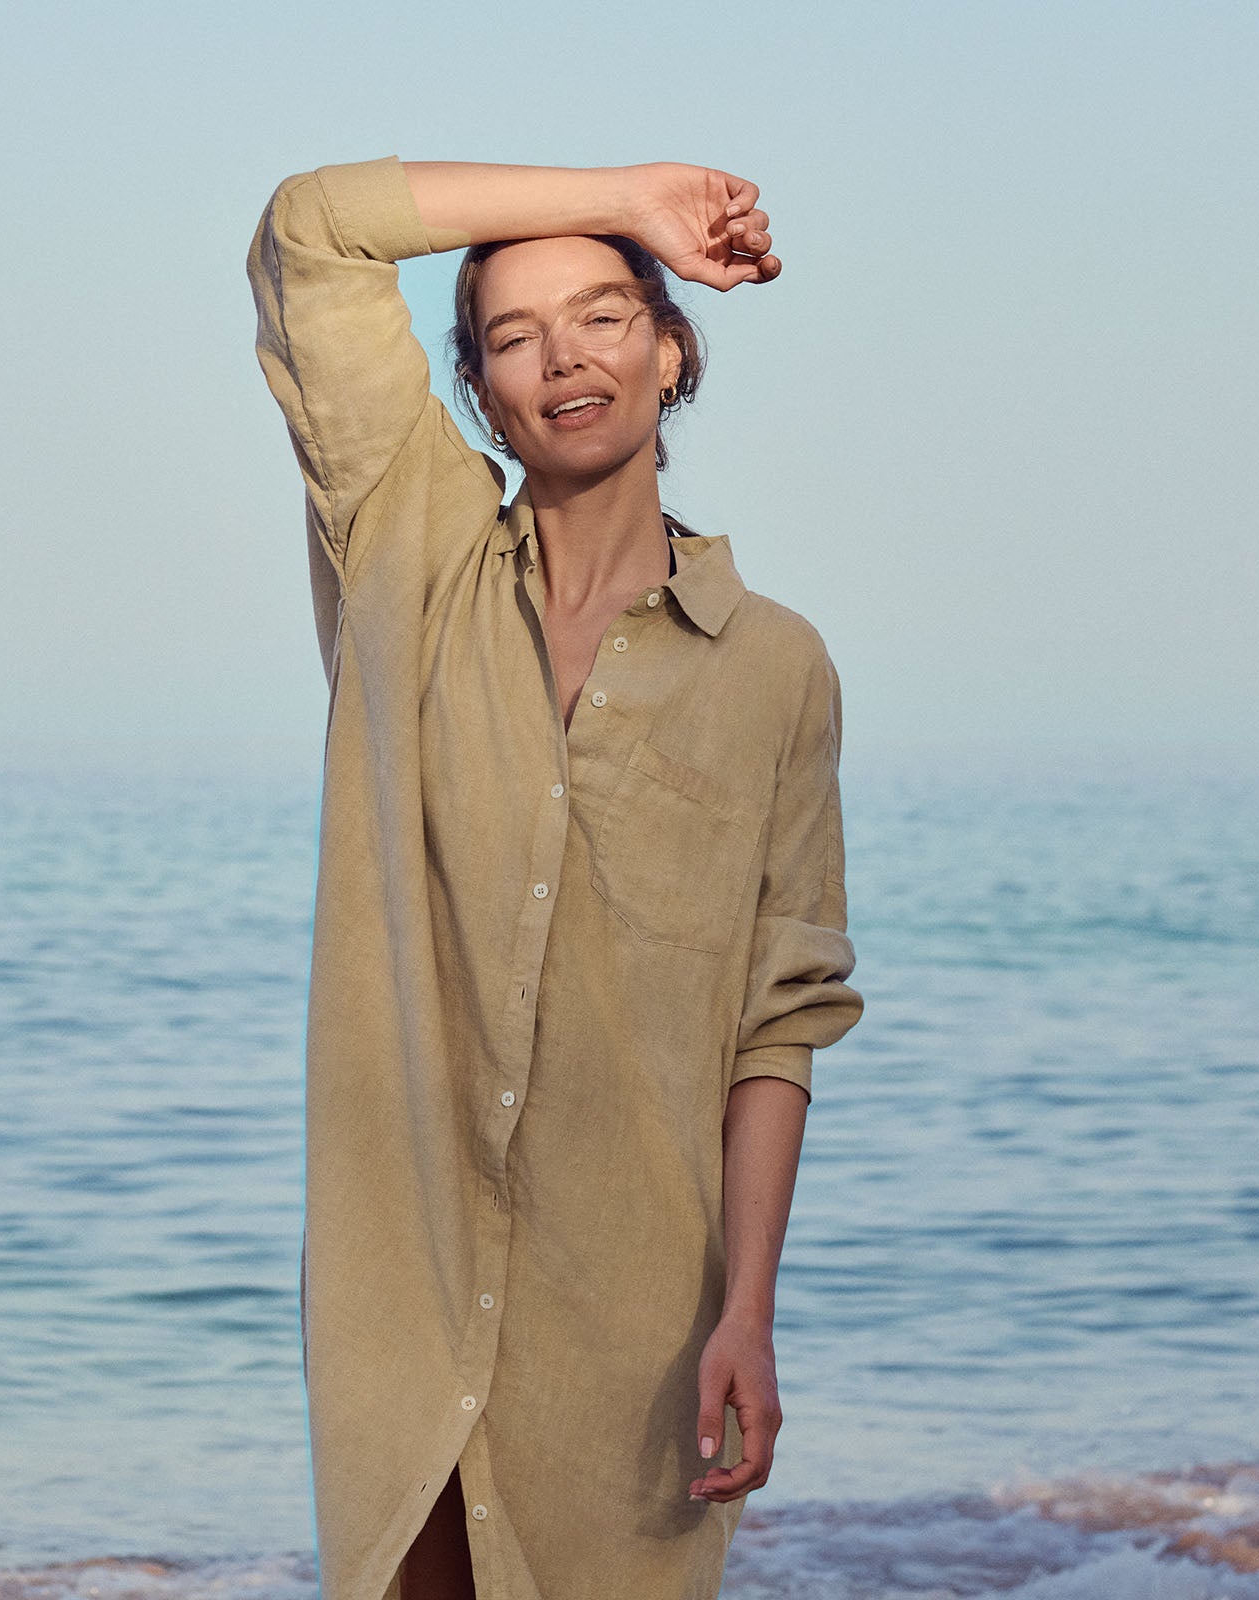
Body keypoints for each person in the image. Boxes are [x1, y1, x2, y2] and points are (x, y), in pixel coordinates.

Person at [245, 157, 864, 1599]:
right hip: (401, 1293)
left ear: (670, 347)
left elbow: (780, 1019)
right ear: (474, 385)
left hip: (635, 1322)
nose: (566, 357)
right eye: (516, 335)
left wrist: (749, 1316)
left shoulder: (777, 668)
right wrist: (634, 196)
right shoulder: (411, 554)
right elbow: (311, 231)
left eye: (603, 315)